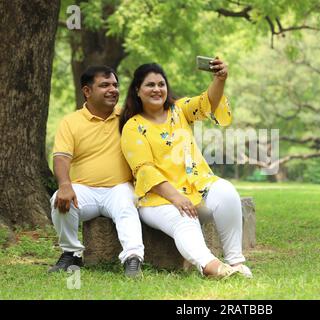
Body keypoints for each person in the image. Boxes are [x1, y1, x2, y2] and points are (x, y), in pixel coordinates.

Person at [119, 60, 252, 279]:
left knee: (227, 191)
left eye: (161, 84)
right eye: (150, 85)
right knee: (185, 217)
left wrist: (220, 79)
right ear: (137, 90)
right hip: (158, 198)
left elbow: (207, 102)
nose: (157, 89)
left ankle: (235, 261)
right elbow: (145, 171)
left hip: (196, 186)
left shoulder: (178, 111)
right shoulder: (133, 127)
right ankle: (211, 267)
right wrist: (177, 198)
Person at [49, 65, 145, 278]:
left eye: (115, 85)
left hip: (120, 187)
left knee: (126, 205)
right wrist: (65, 186)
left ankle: (133, 259)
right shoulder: (70, 122)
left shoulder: (129, 117)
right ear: (87, 91)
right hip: (84, 190)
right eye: (104, 85)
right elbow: (61, 157)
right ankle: (71, 253)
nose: (113, 89)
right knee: (59, 199)